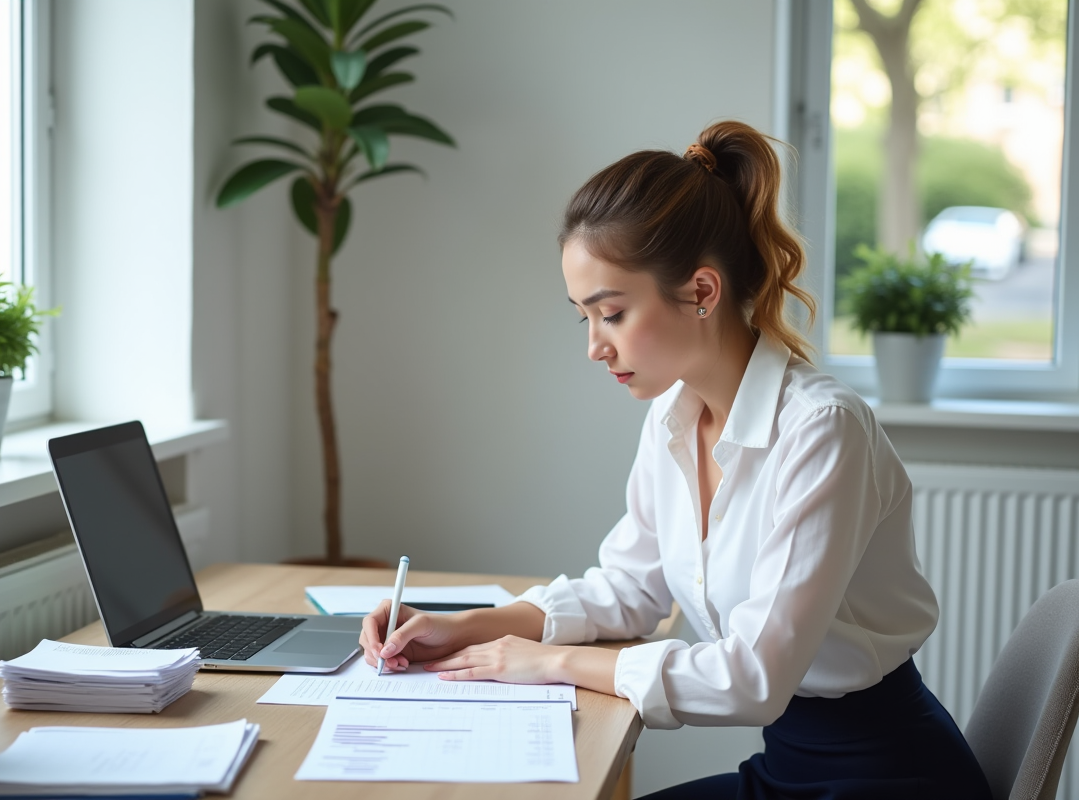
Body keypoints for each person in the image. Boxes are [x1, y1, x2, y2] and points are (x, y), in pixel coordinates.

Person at [359, 120, 993, 799]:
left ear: (701, 292)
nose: (595, 346)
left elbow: (752, 679)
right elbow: (628, 591)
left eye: (613, 314)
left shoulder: (823, 431)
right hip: (789, 767)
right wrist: (461, 628)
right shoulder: (672, 417)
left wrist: (548, 664)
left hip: (886, 776)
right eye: (585, 317)